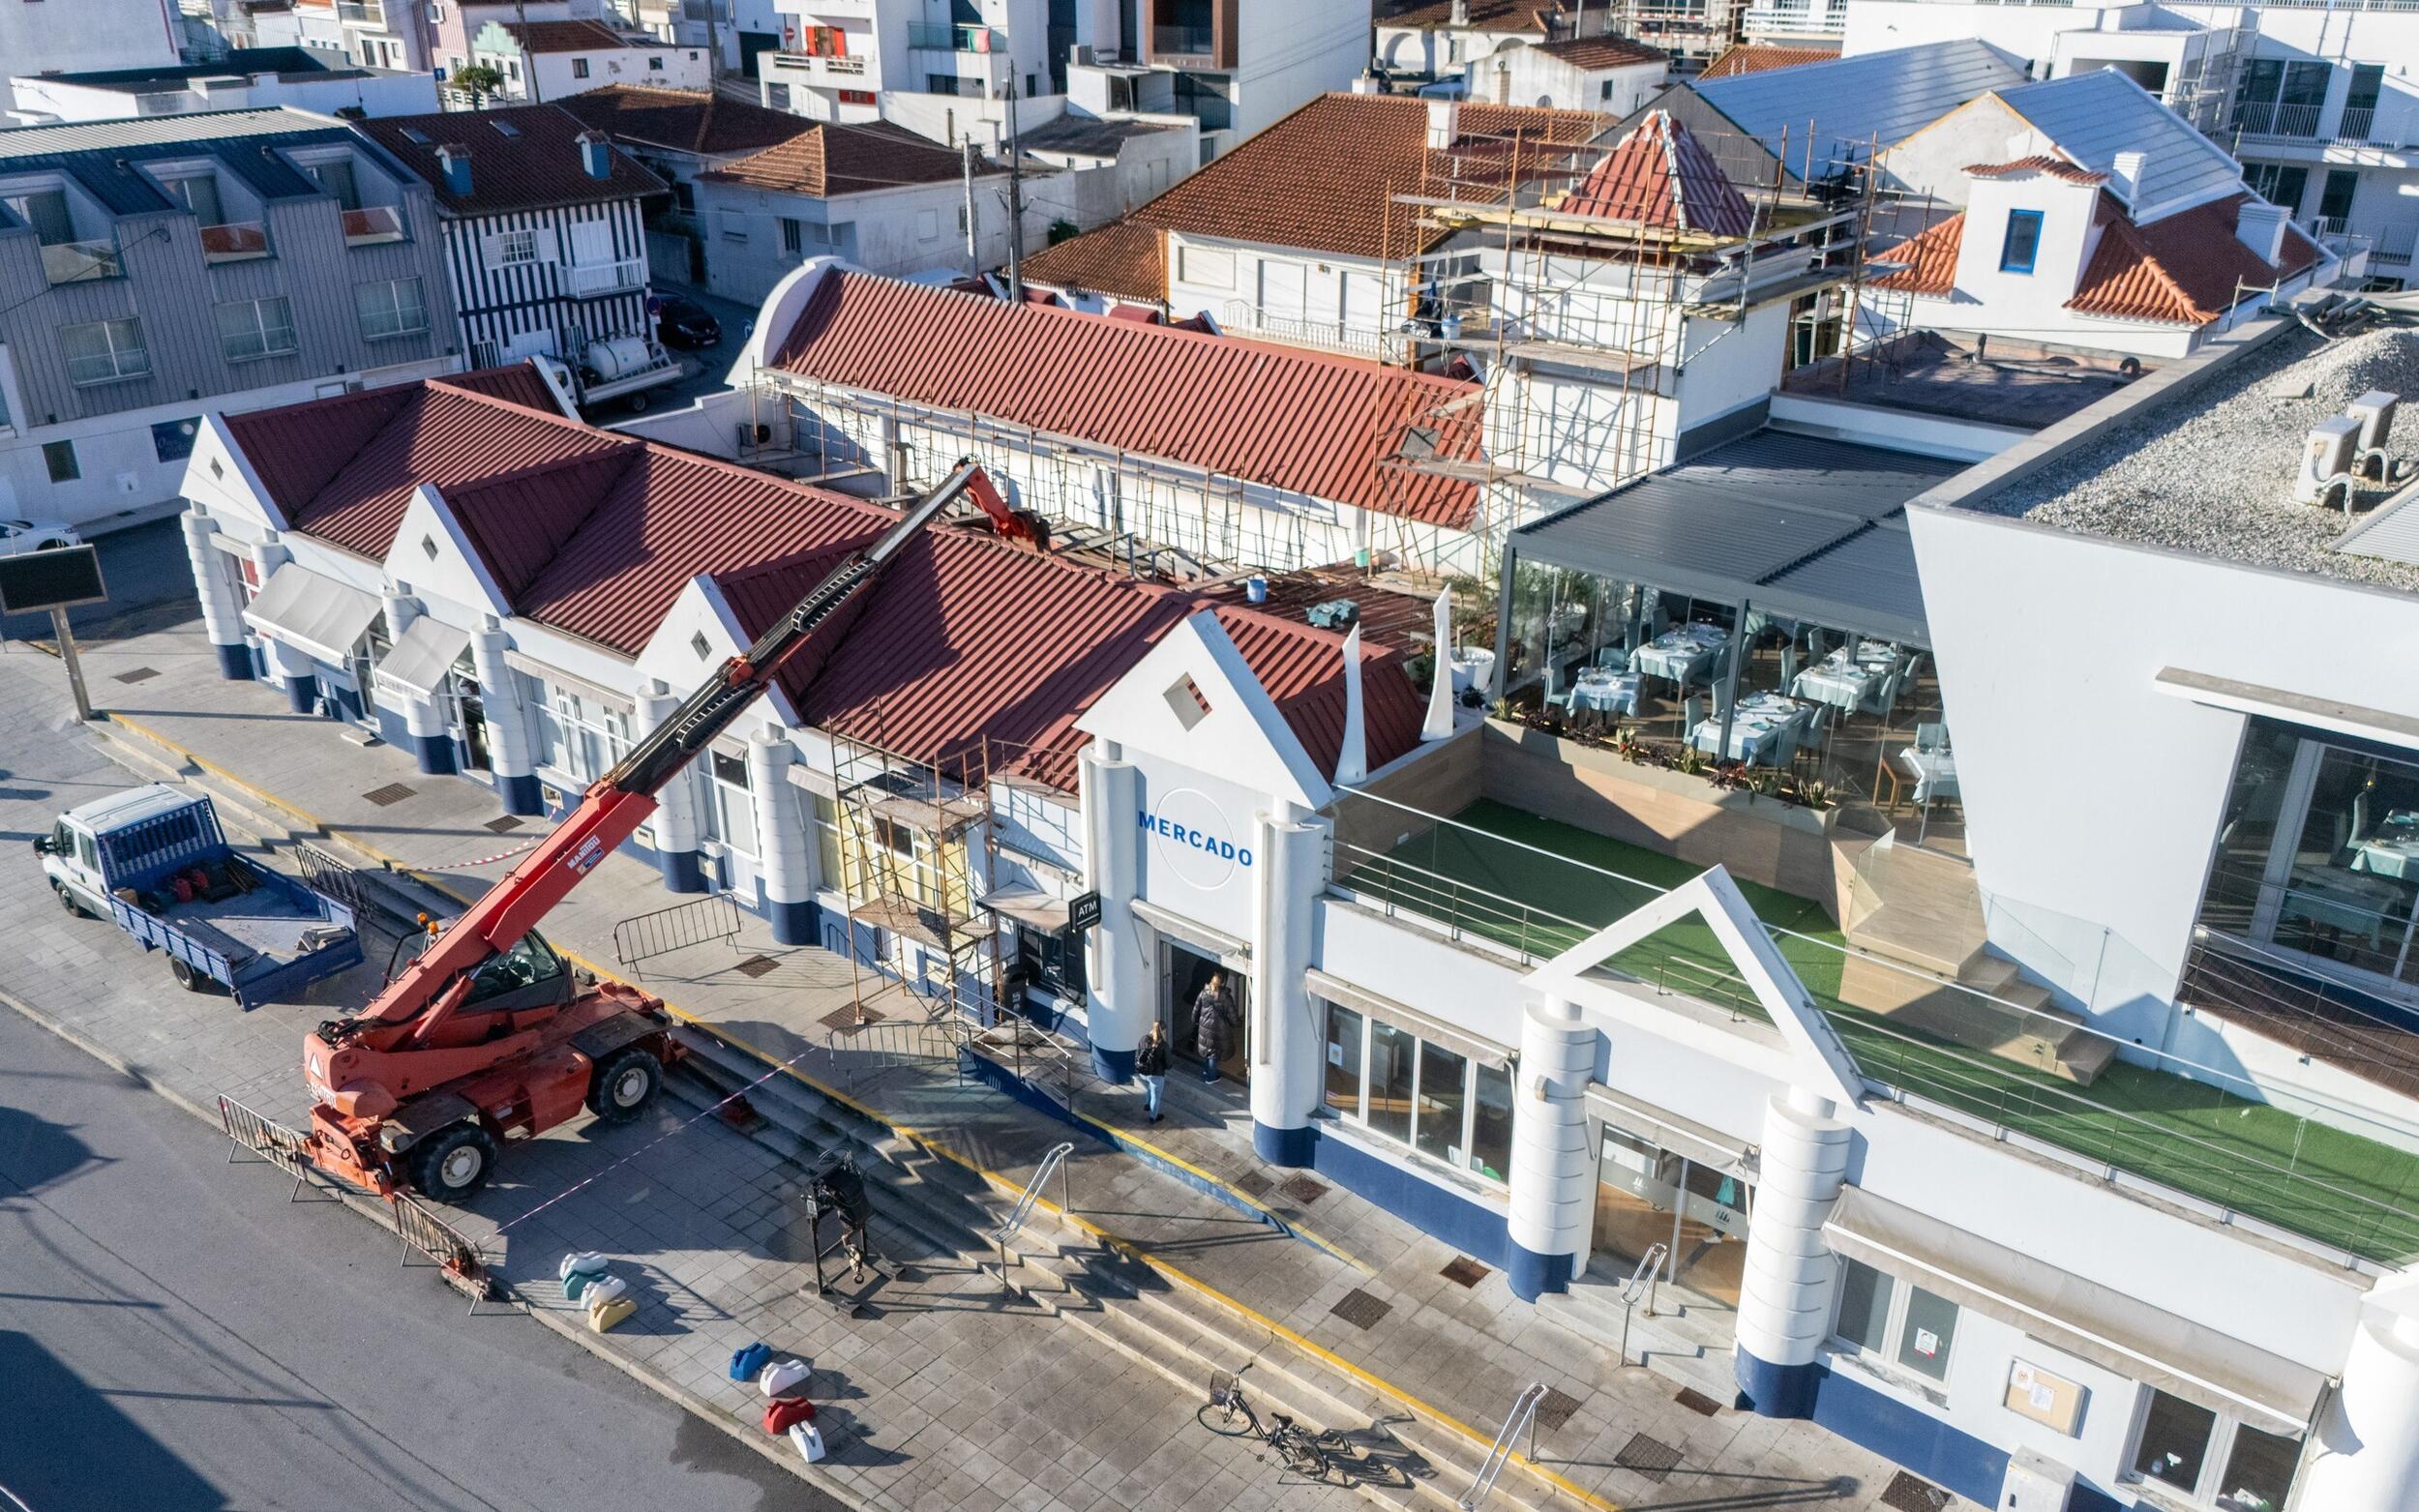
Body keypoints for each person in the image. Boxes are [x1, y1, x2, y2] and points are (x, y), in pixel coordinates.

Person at [1193, 971, 1237, 1083]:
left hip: (1204, 1027)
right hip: (1218, 1029)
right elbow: (1233, 1016)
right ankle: (1211, 1077)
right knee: (1213, 1054)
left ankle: (1207, 1071)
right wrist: (1237, 1023)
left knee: (1208, 1050)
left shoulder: (1203, 993)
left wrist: (1195, 1021)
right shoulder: (1226, 998)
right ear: (1222, 983)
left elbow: (1196, 1009)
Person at [1136, 1021, 1170, 1123]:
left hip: (1143, 1072)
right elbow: (1168, 1063)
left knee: (1149, 1086)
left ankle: (1147, 1104)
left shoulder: (1144, 1039)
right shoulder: (1163, 1045)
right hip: (1156, 1075)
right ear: (1163, 1031)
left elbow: (1137, 1052)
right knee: (1156, 1096)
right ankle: (1153, 1117)